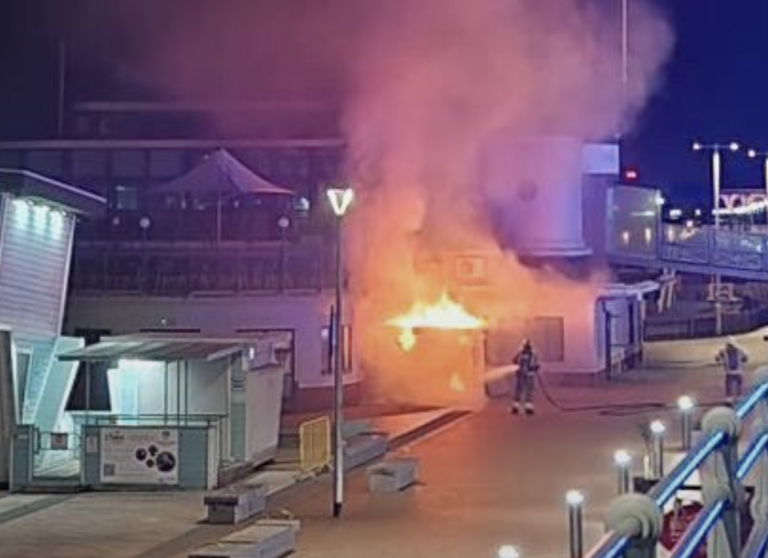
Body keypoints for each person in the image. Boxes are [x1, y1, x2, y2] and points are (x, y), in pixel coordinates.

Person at [510, 339, 539, 416]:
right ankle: (516, 408)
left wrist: (534, 367)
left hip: (528, 375)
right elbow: (514, 360)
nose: (526, 348)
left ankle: (527, 408)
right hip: (523, 376)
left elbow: (535, 363)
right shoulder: (520, 353)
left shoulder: (532, 353)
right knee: (520, 391)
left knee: (527, 392)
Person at [716, 338, 748, 403]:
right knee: (729, 385)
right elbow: (717, 358)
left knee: (737, 384)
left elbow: (745, 358)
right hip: (729, 371)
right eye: (729, 345)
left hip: (737, 371)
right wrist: (719, 359)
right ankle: (730, 397)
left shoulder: (739, 350)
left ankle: (738, 396)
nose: (730, 347)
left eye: (731, 345)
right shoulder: (724, 351)